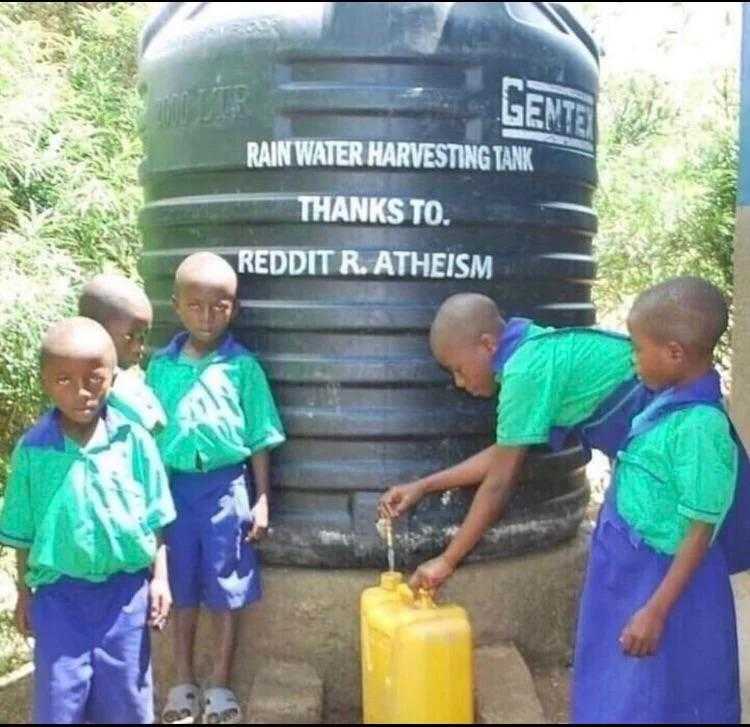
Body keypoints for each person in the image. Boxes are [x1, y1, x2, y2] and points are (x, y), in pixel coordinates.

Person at [379, 292, 650, 590]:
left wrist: (447, 560)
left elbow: (498, 483)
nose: (459, 382)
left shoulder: (524, 373)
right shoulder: (529, 349)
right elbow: (504, 454)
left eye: (458, 369)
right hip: (646, 443)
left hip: (658, 445)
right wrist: (424, 486)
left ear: (487, 345)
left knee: (634, 562)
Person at [572, 277, 742, 723]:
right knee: (616, 688)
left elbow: (701, 530)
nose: (632, 358)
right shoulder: (664, 402)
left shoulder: (701, 430)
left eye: (637, 348)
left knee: (658, 696)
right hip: (627, 577)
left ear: (674, 353)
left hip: (665, 584)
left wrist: (656, 611)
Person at [0, 317, 175, 724]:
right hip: (60, 598)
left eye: (93, 379)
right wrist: (25, 593)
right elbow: (23, 532)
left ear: (112, 378)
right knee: (59, 703)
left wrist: (161, 579)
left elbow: (156, 518)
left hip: (126, 597)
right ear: (45, 383)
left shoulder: (135, 441)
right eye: (63, 380)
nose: (81, 392)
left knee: (127, 702)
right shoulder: (34, 452)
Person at [147, 252, 285, 724]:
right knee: (181, 586)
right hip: (173, 491)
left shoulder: (243, 368)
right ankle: (183, 680)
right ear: (176, 307)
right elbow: (145, 442)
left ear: (235, 309)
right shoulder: (160, 369)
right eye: (196, 306)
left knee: (228, 588)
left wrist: (262, 497)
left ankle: (221, 684)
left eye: (219, 307)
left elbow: (261, 436)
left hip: (228, 489)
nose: (207, 317)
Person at [79, 272, 166, 434]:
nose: (139, 347)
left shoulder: (128, 380)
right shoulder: (83, 398)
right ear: (97, 329)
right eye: (130, 336)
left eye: (143, 336)